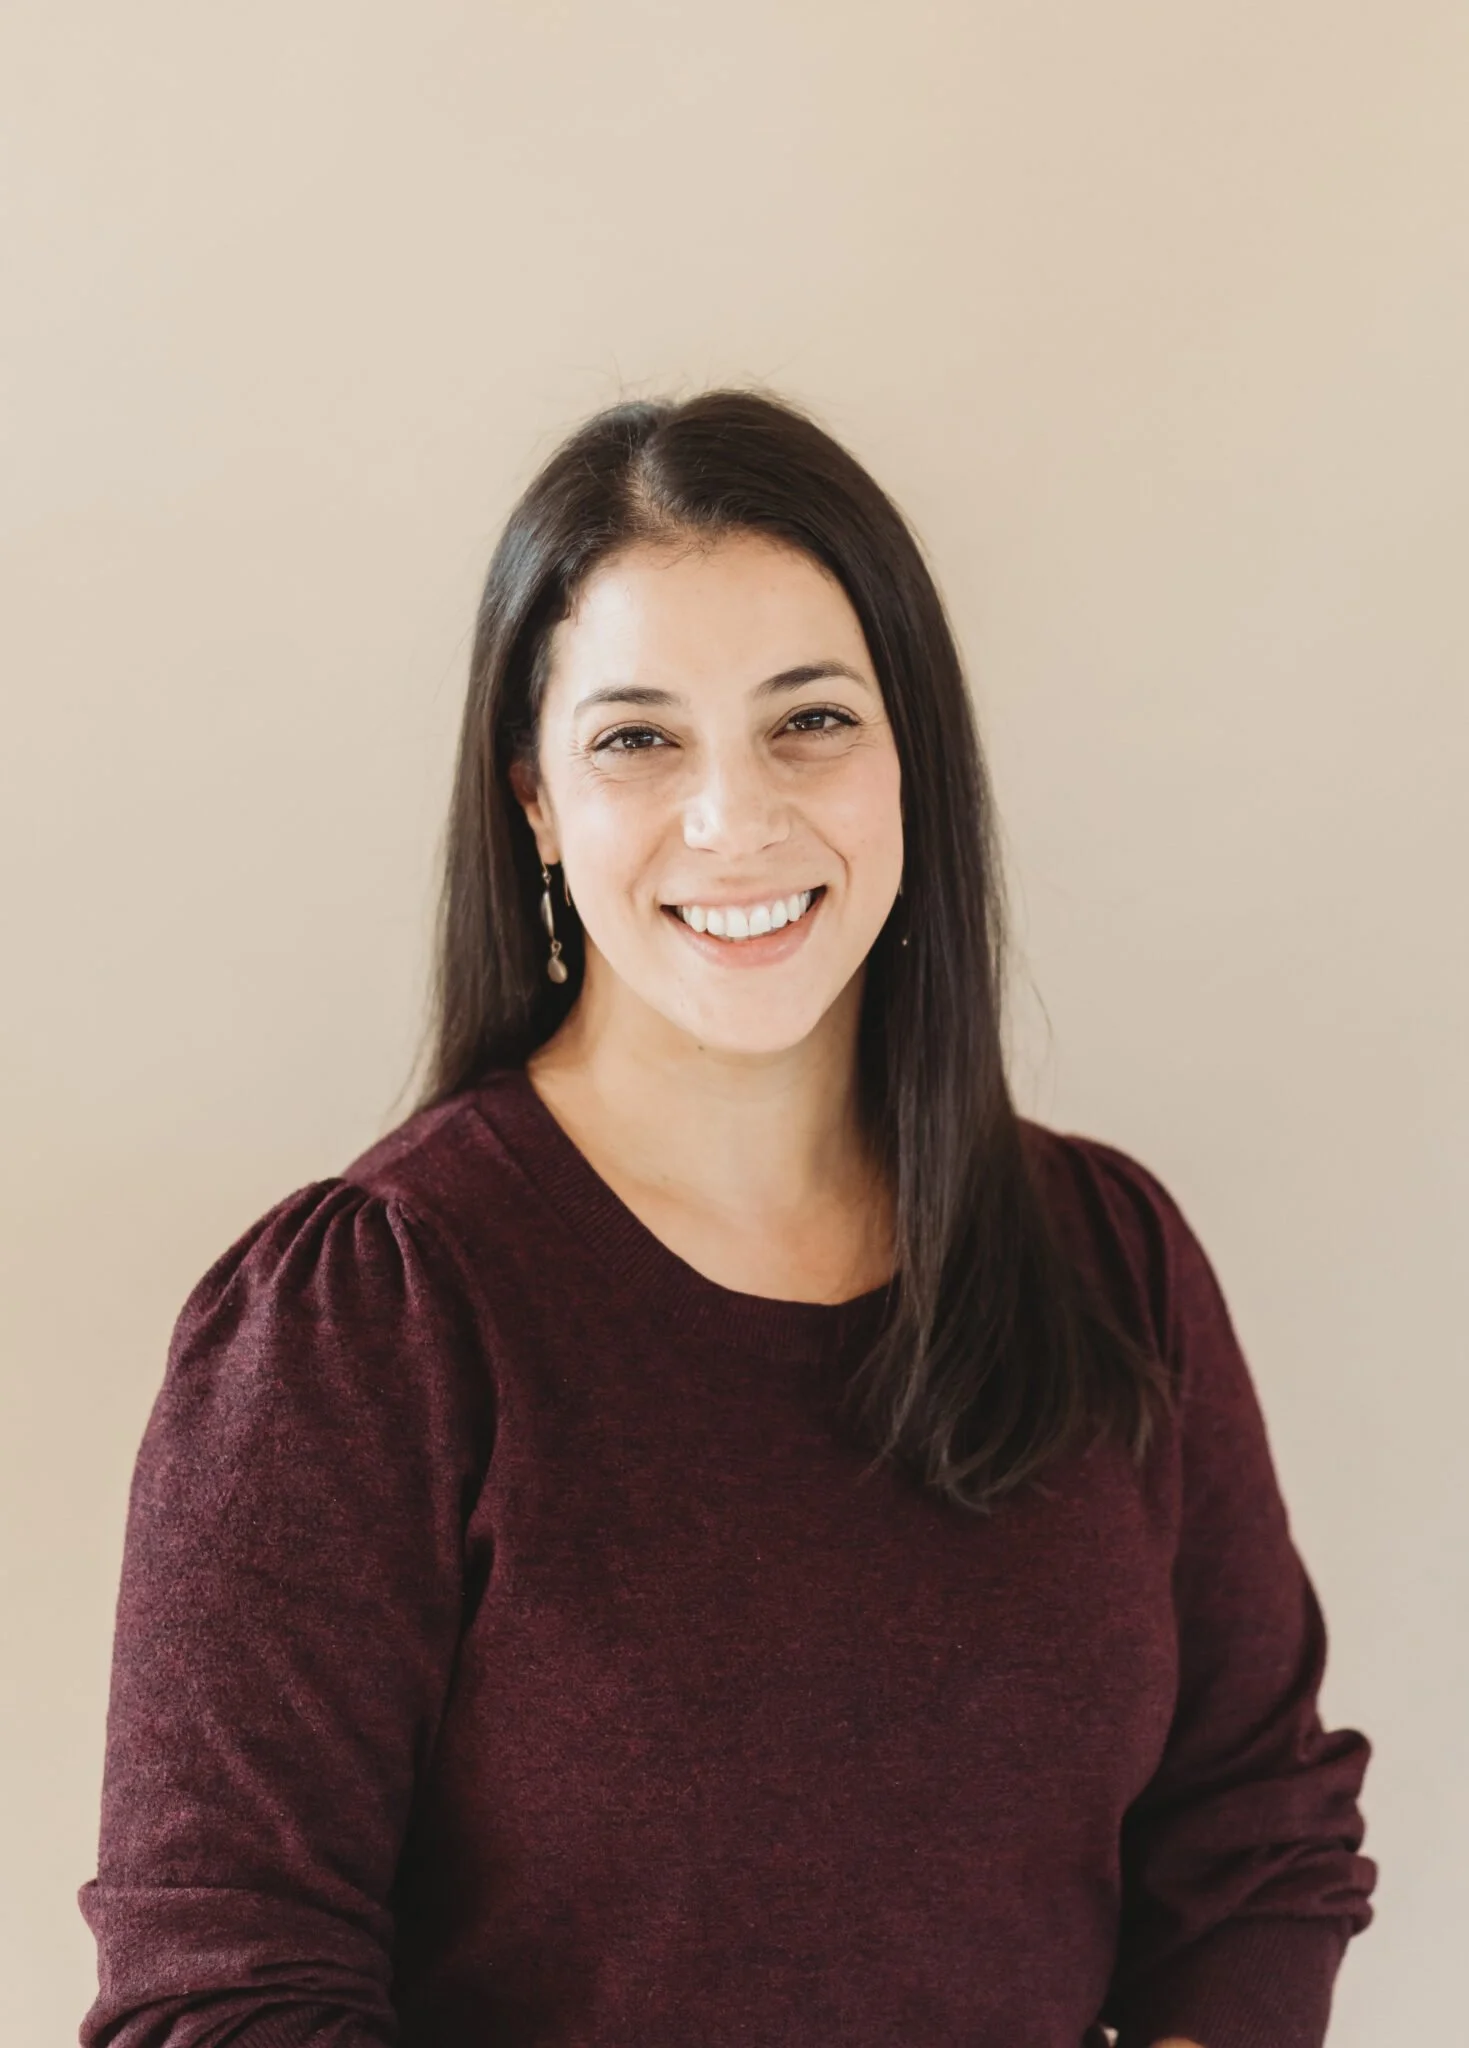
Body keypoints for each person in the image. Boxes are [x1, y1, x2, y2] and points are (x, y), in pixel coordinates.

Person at [77, 389, 1376, 2048]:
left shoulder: (1106, 1257)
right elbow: (221, 1996)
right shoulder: (366, 1317)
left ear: (913, 753)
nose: (735, 817)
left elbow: (1255, 1844)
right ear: (536, 805)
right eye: (637, 738)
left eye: (809, 720)